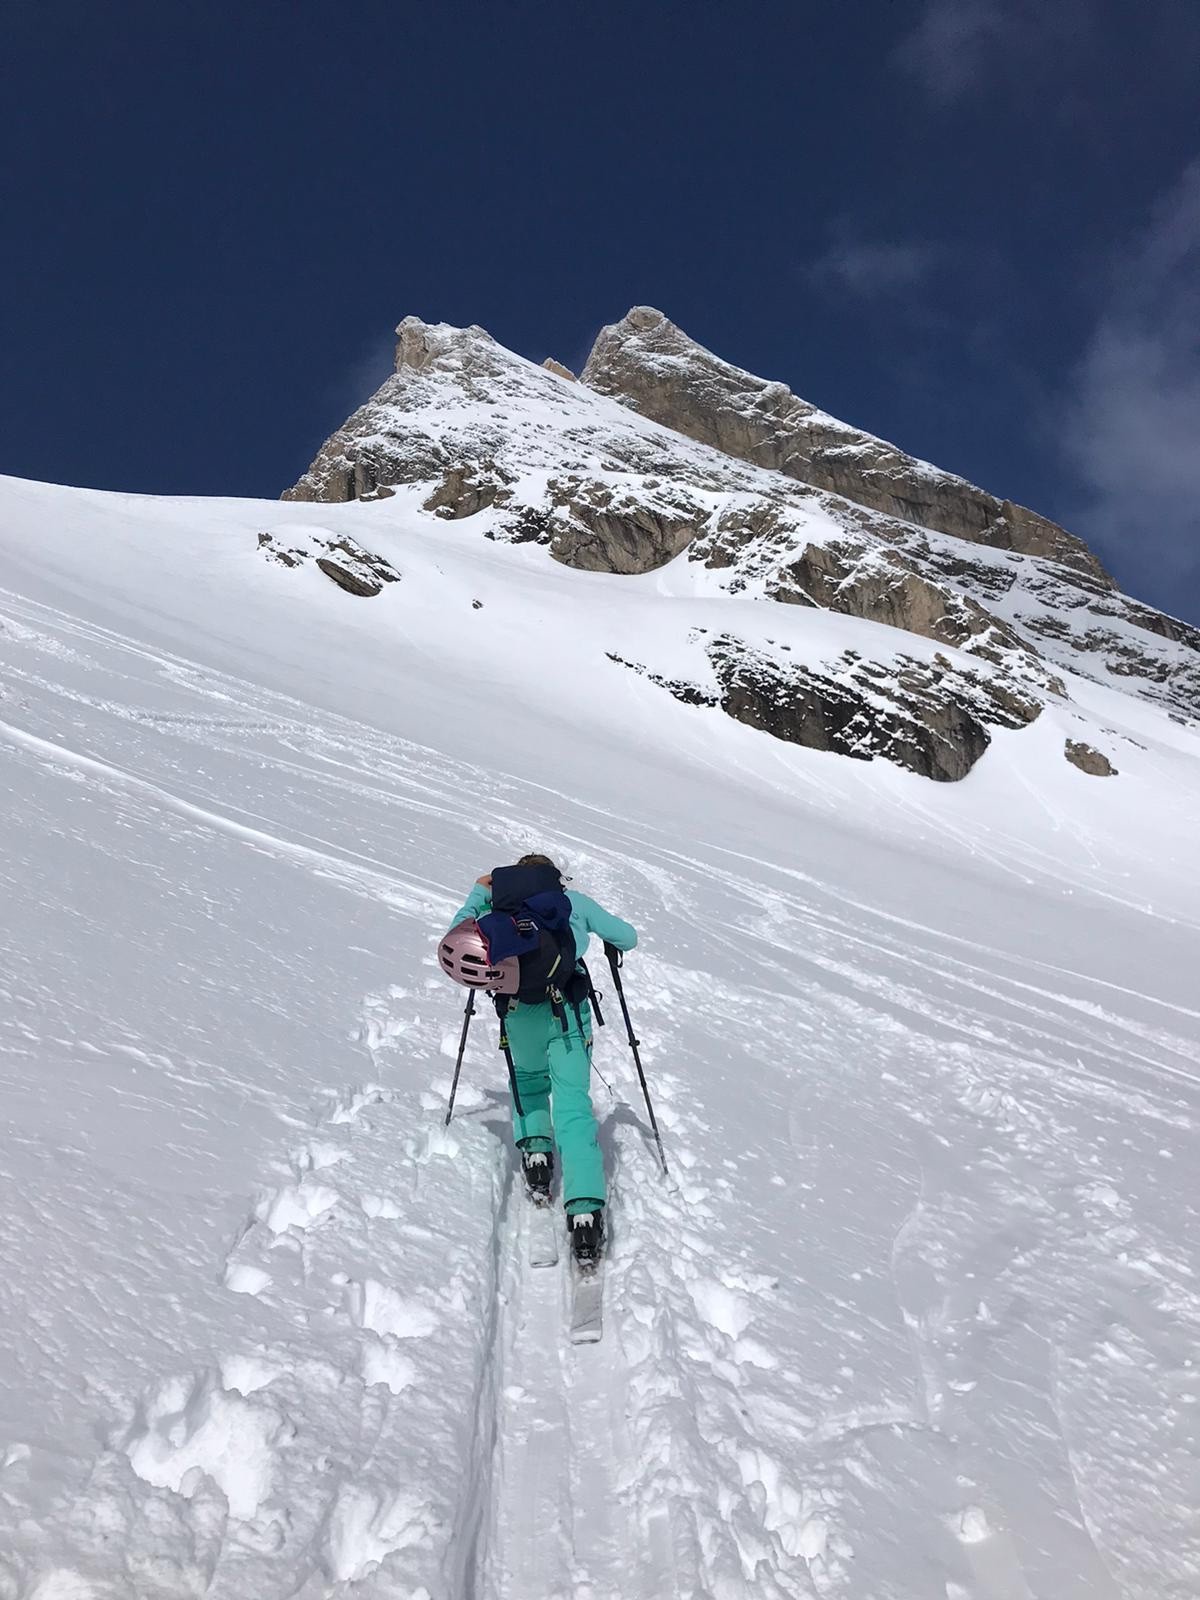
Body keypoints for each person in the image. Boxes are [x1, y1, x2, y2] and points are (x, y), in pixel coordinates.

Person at [446, 853, 637, 1265]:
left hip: (517, 1013)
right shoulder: (571, 903)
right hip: (566, 1011)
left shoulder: (497, 907)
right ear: (553, 878)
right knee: (572, 1106)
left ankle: (535, 1157)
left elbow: (456, 937)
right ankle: (585, 1213)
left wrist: (481, 890)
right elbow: (628, 937)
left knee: (529, 1084)